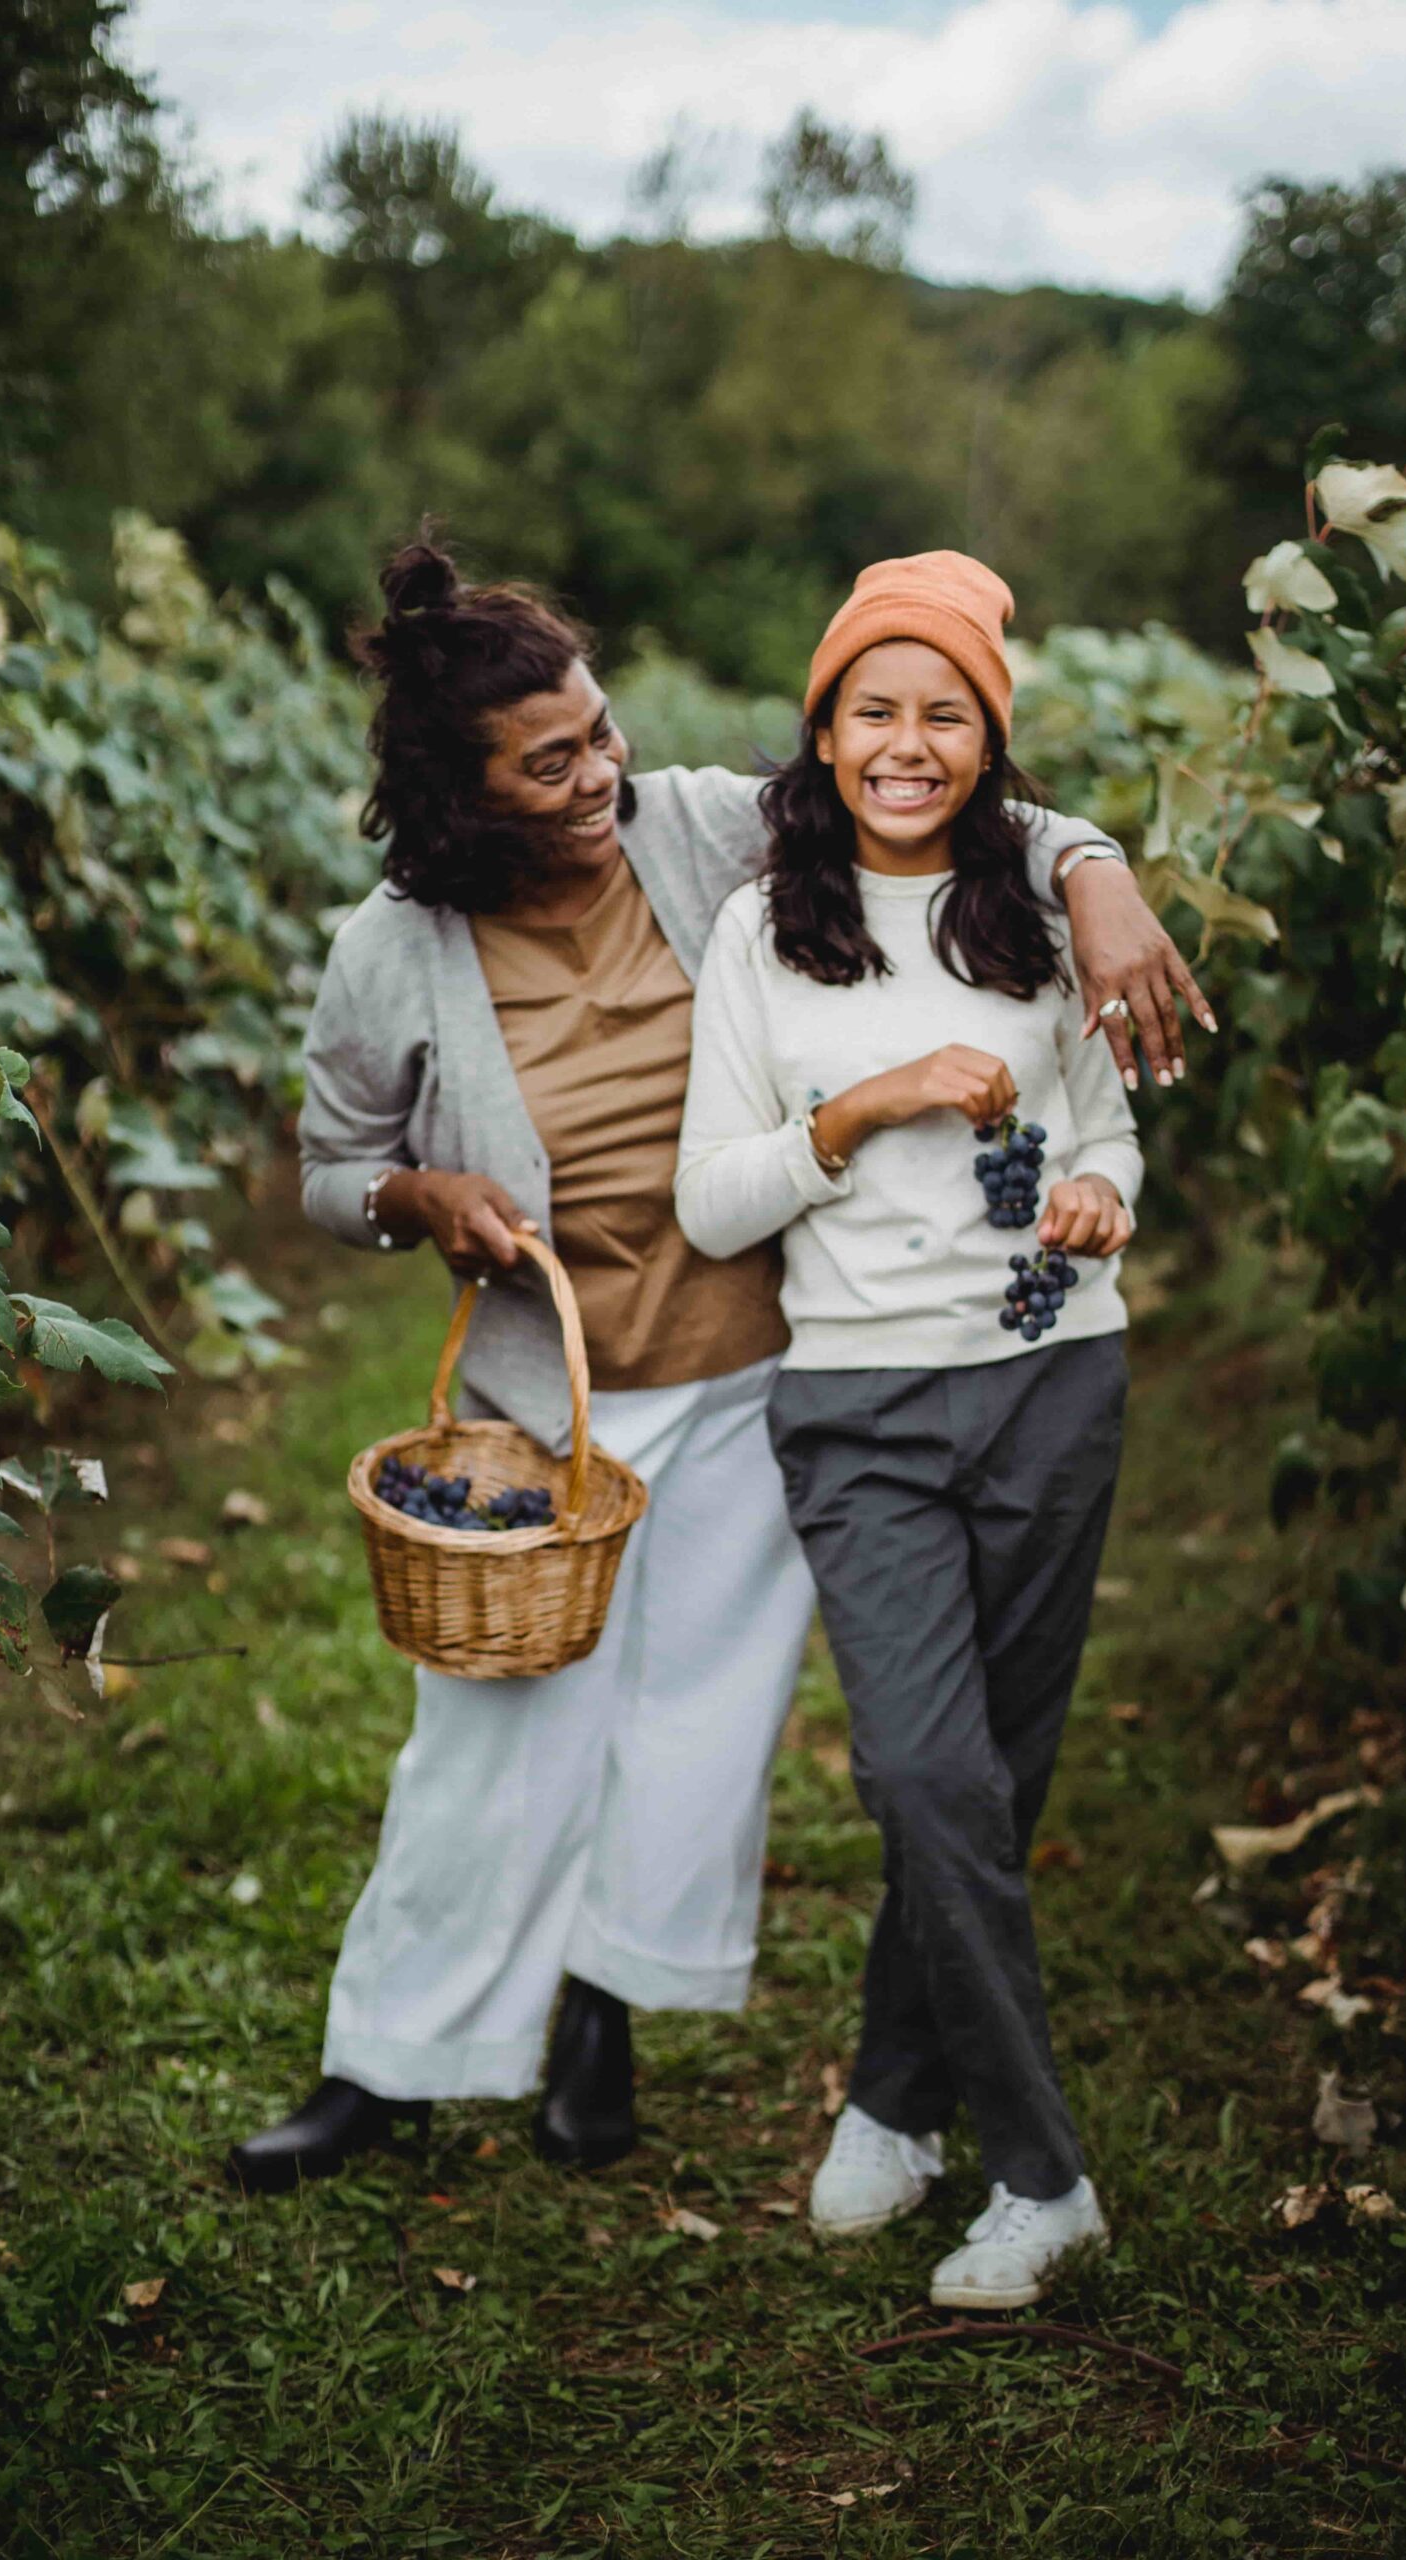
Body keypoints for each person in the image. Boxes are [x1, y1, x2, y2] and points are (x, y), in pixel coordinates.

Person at [226, 537, 1206, 2195]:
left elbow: (935, 791)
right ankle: (385, 2063)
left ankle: (604, 2019)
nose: (602, 772)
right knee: (484, 1743)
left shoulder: (689, 828)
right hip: (556, 1407)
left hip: (761, 1376)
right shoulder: (392, 951)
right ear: (461, 790)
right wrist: (414, 1195)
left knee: (698, 1725)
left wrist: (1097, 869)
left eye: (601, 732)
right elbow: (331, 1166)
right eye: (552, 761)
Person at [675, 552, 1139, 2309]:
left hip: (1052, 1382)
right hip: (857, 1406)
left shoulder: (1030, 901)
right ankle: (1043, 2173)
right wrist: (861, 1105)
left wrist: (1100, 1196)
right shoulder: (761, 931)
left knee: (990, 1789)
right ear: (825, 731)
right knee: (924, 1771)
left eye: (946, 715)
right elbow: (714, 1203)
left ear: (989, 744)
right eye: (876, 709)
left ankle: (894, 2091)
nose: (908, 742)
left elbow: (1110, 1131)